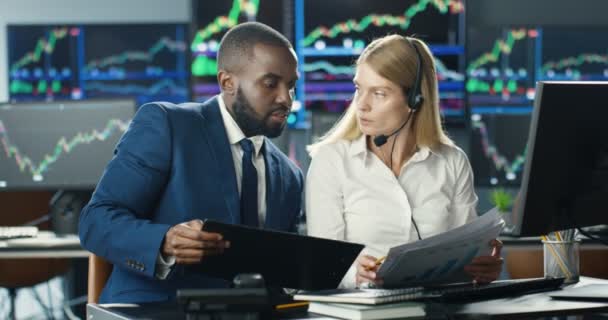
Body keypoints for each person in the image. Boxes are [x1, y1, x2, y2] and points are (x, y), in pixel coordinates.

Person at [79, 22, 303, 303]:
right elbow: (95, 221)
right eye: (270, 83)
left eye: (291, 85)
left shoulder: (290, 176)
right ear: (227, 82)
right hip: (157, 309)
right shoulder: (168, 126)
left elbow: (281, 271)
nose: (286, 98)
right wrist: (165, 242)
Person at [306, 35, 502, 288]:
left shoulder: (451, 162)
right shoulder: (331, 161)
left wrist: (481, 267)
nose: (361, 105)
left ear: (414, 100)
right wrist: (353, 274)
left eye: (378, 93)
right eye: (358, 89)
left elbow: (467, 252)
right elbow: (322, 265)